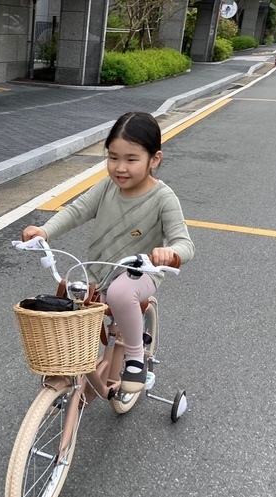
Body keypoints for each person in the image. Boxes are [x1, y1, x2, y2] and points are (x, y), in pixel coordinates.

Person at [20, 112, 194, 393]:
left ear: (154, 159)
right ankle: (74, 362)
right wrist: (44, 231)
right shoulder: (106, 187)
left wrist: (169, 253)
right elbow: (76, 211)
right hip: (98, 271)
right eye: (113, 157)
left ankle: (135, 357)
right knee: (68, 296)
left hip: (139, 273)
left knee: (120, 293)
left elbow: (185, 244)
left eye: (131, 159)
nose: (120, 168)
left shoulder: (163, 198)